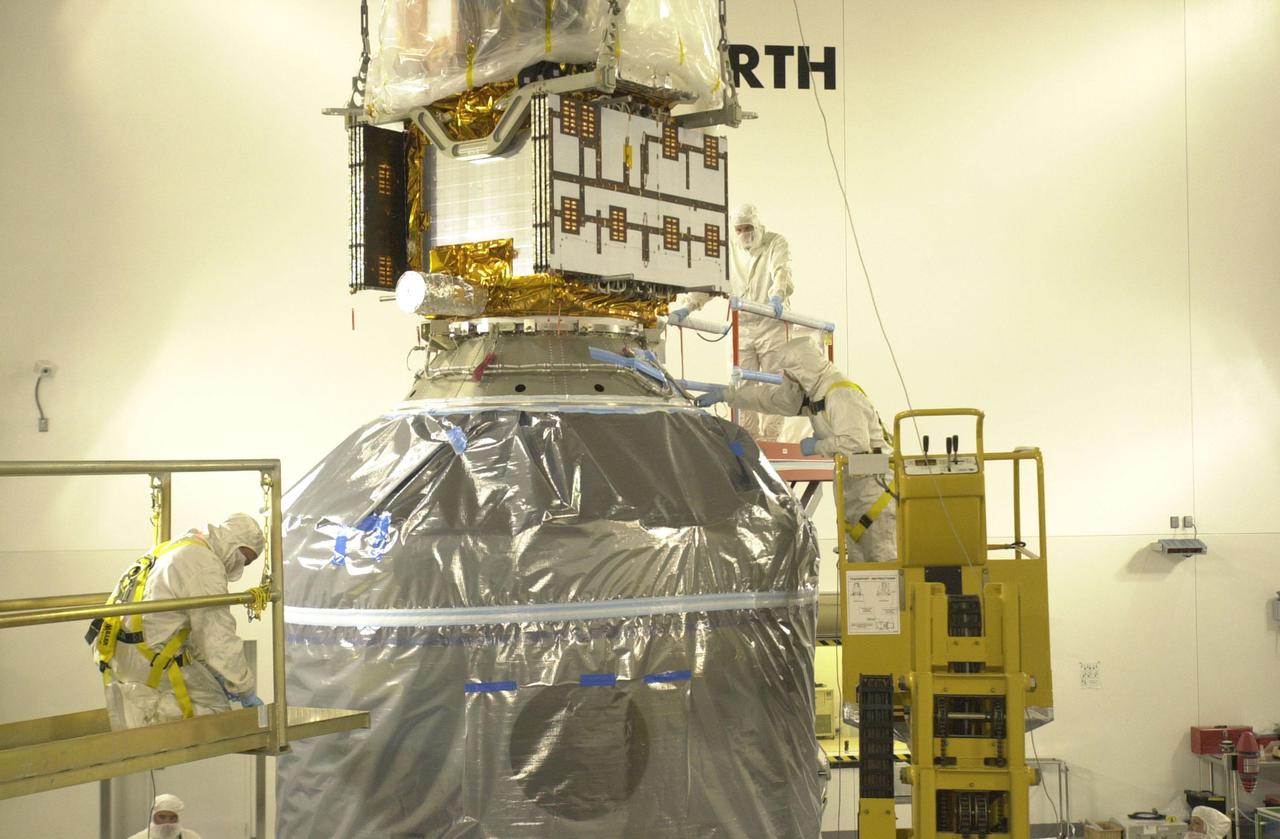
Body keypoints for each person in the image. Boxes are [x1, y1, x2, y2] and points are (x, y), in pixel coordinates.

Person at [696, 337, 897, 563]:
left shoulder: (840, 394)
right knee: (860, 563)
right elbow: (772, 400)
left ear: (802, 371)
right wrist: (729, 395)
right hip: (856, 483)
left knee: (881, 558)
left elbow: (855, 443)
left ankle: (894, 600)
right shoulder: (817, 393)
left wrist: (817, 446)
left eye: (789, 375)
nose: (787, 381)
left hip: (874, 485)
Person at [91, 513, 266, 730]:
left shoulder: (175, 547)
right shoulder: (204, 565)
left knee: (207, 689)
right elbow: (218, 636)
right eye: (244, 558)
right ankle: (141, 710)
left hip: (116, 648)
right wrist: (245, 688)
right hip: (148, 655)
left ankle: (137, 702)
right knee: (217, 713)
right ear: (235, 541)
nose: (241, 567)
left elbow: (187, 630)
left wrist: (216, 673)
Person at [669, 203, 795, 441]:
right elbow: (712, 282)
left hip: (771, 324)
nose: (744, 234)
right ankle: (748, 437)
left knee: (775, 383)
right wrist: (689, 305)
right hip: (742, 327)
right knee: (741, 382)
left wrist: (777, 294)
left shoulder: (775, 243)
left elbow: (781, 270)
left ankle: (771, 439)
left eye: (748, 228)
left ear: (758, 225)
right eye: (739, 229)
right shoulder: (728, 251)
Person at [127, 793, 204, 839]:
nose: (167, 822)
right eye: (162, 817)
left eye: (172, 818)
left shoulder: (191, 837)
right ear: (153, 817)